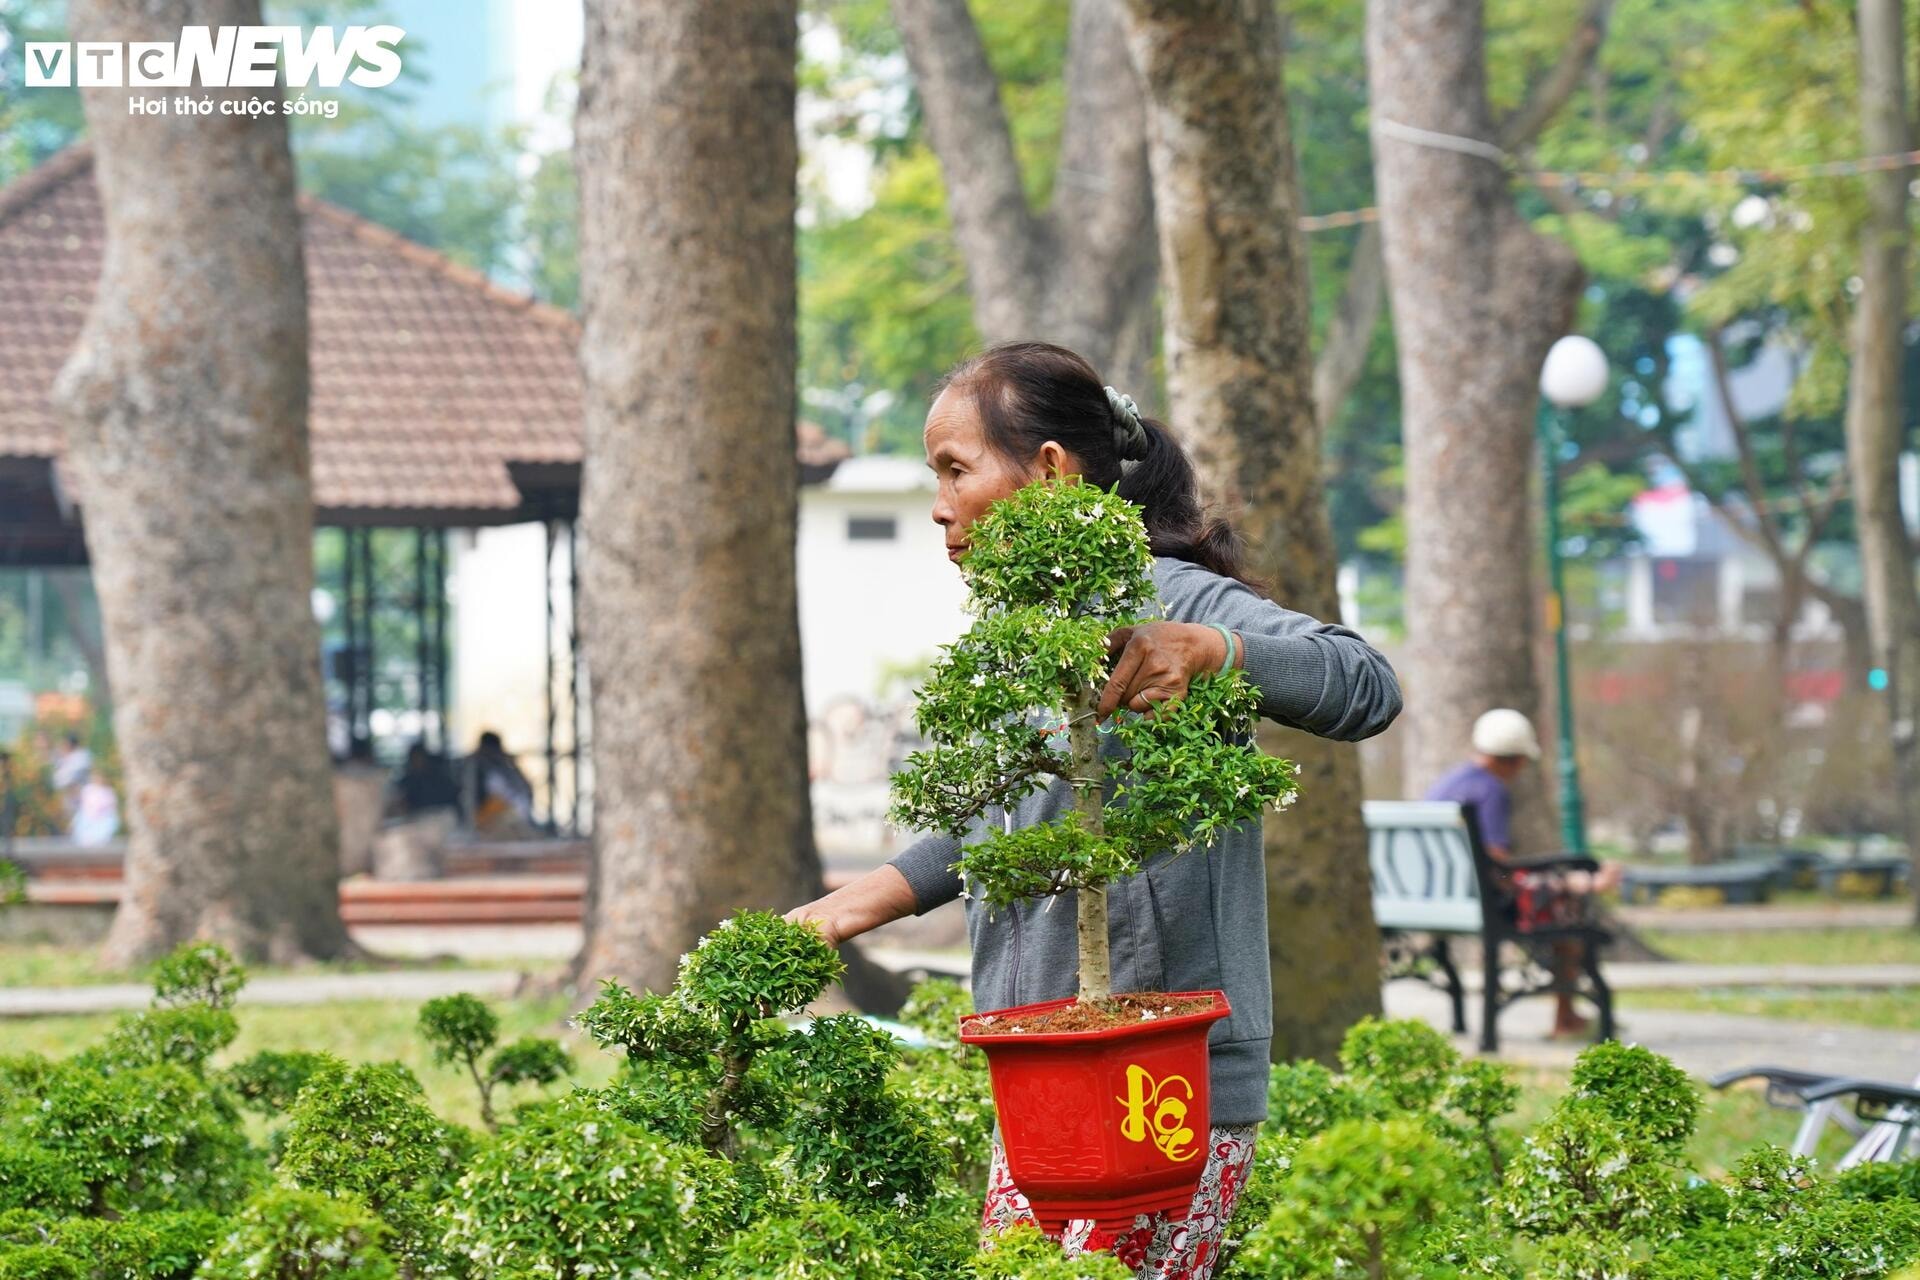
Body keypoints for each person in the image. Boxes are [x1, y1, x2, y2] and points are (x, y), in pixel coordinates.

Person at [783, 341, 1402, 1280]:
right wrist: (857, 902)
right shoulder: (1011, 638)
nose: (940, 505)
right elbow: (1010, 816)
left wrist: (1213, 651)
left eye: (957, 470)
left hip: (1161, 1080)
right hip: (1041, 1076)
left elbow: (1367, 684)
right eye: (933, 477)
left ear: (1048, 469)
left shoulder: (1169, 597)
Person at [1425, 708, 1623, 1039]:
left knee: (1558, 897)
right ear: (1516, 759)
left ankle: (1567, 1015)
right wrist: (1573, 882)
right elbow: (1497, 865)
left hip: (1434, 899)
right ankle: (1566, 1017)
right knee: (1567, 915)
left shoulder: (1448, 783)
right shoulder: (1490, 790)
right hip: (1479, 901)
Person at [461, 730, 535, 837]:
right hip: (488, 820)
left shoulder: (506, 767)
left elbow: (526, 791)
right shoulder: (474, 767)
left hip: (512, 818)